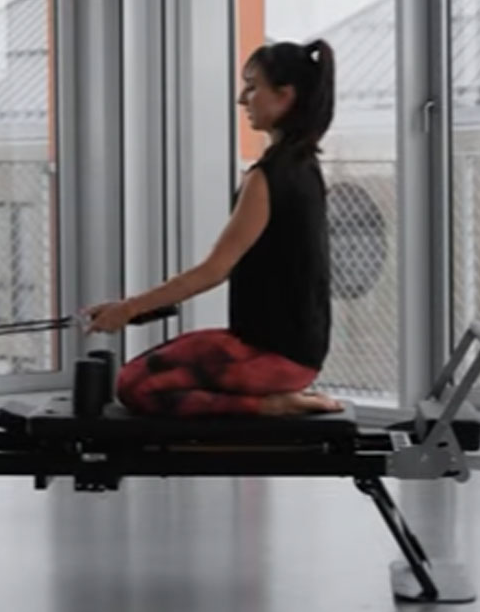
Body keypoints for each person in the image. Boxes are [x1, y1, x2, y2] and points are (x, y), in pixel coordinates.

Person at [84, 39, 342, 417]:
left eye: (252, 87)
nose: (242, 99)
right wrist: (129, 309)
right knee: (143, 372)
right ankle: (269, 400)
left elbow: (214, 270)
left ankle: (270, 405)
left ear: (284, 96)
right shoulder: (304, 167)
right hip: (296, 353)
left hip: (271, 358)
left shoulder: (268, 177)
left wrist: (128, 308)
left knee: (135, 386)